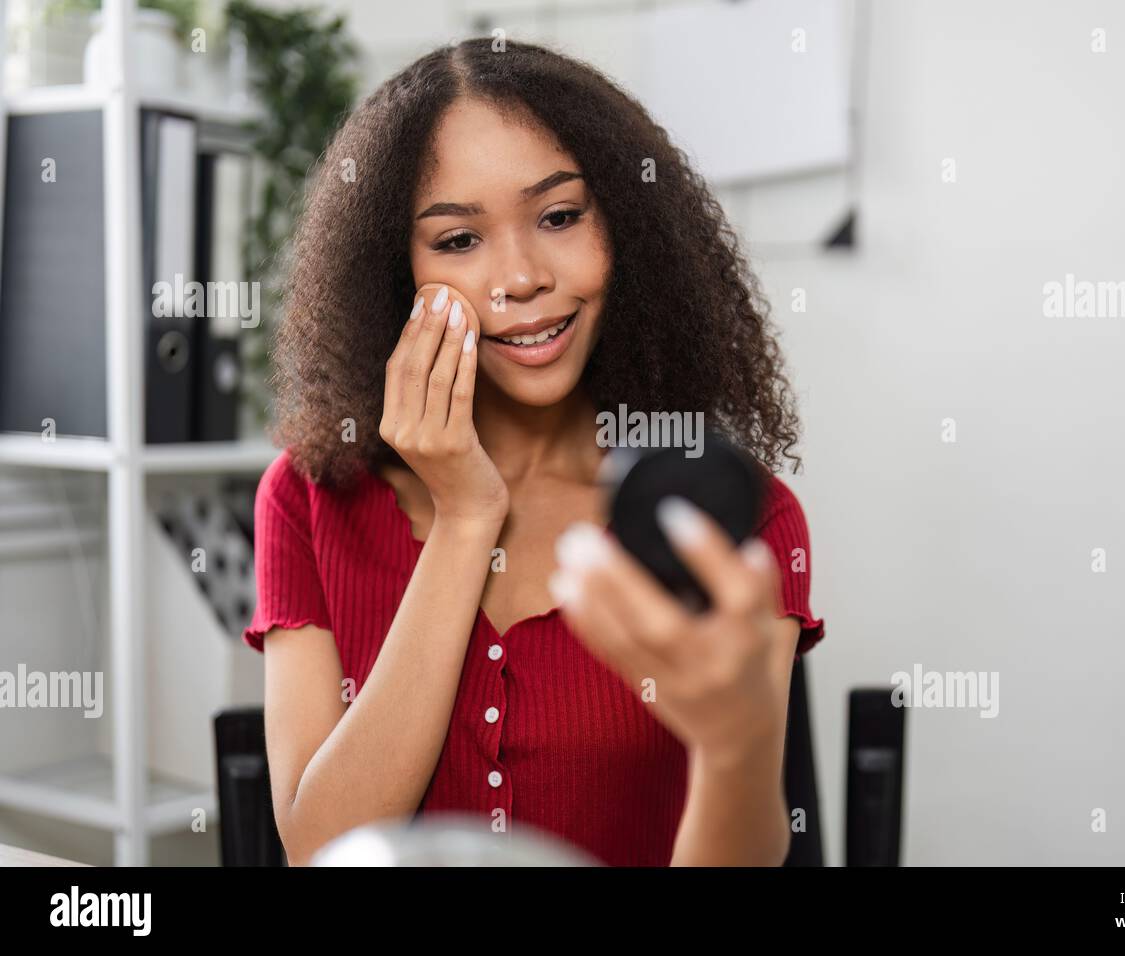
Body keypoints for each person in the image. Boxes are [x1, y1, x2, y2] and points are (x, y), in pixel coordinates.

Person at [242, 37, 826, 866]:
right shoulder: (306, 499)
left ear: (626, 228)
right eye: (457, 241)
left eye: (559, 217)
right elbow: (322, 850)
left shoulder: (739, 518)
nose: (517, 278)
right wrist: (465, 514)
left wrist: (737, 743)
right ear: (395, 270)